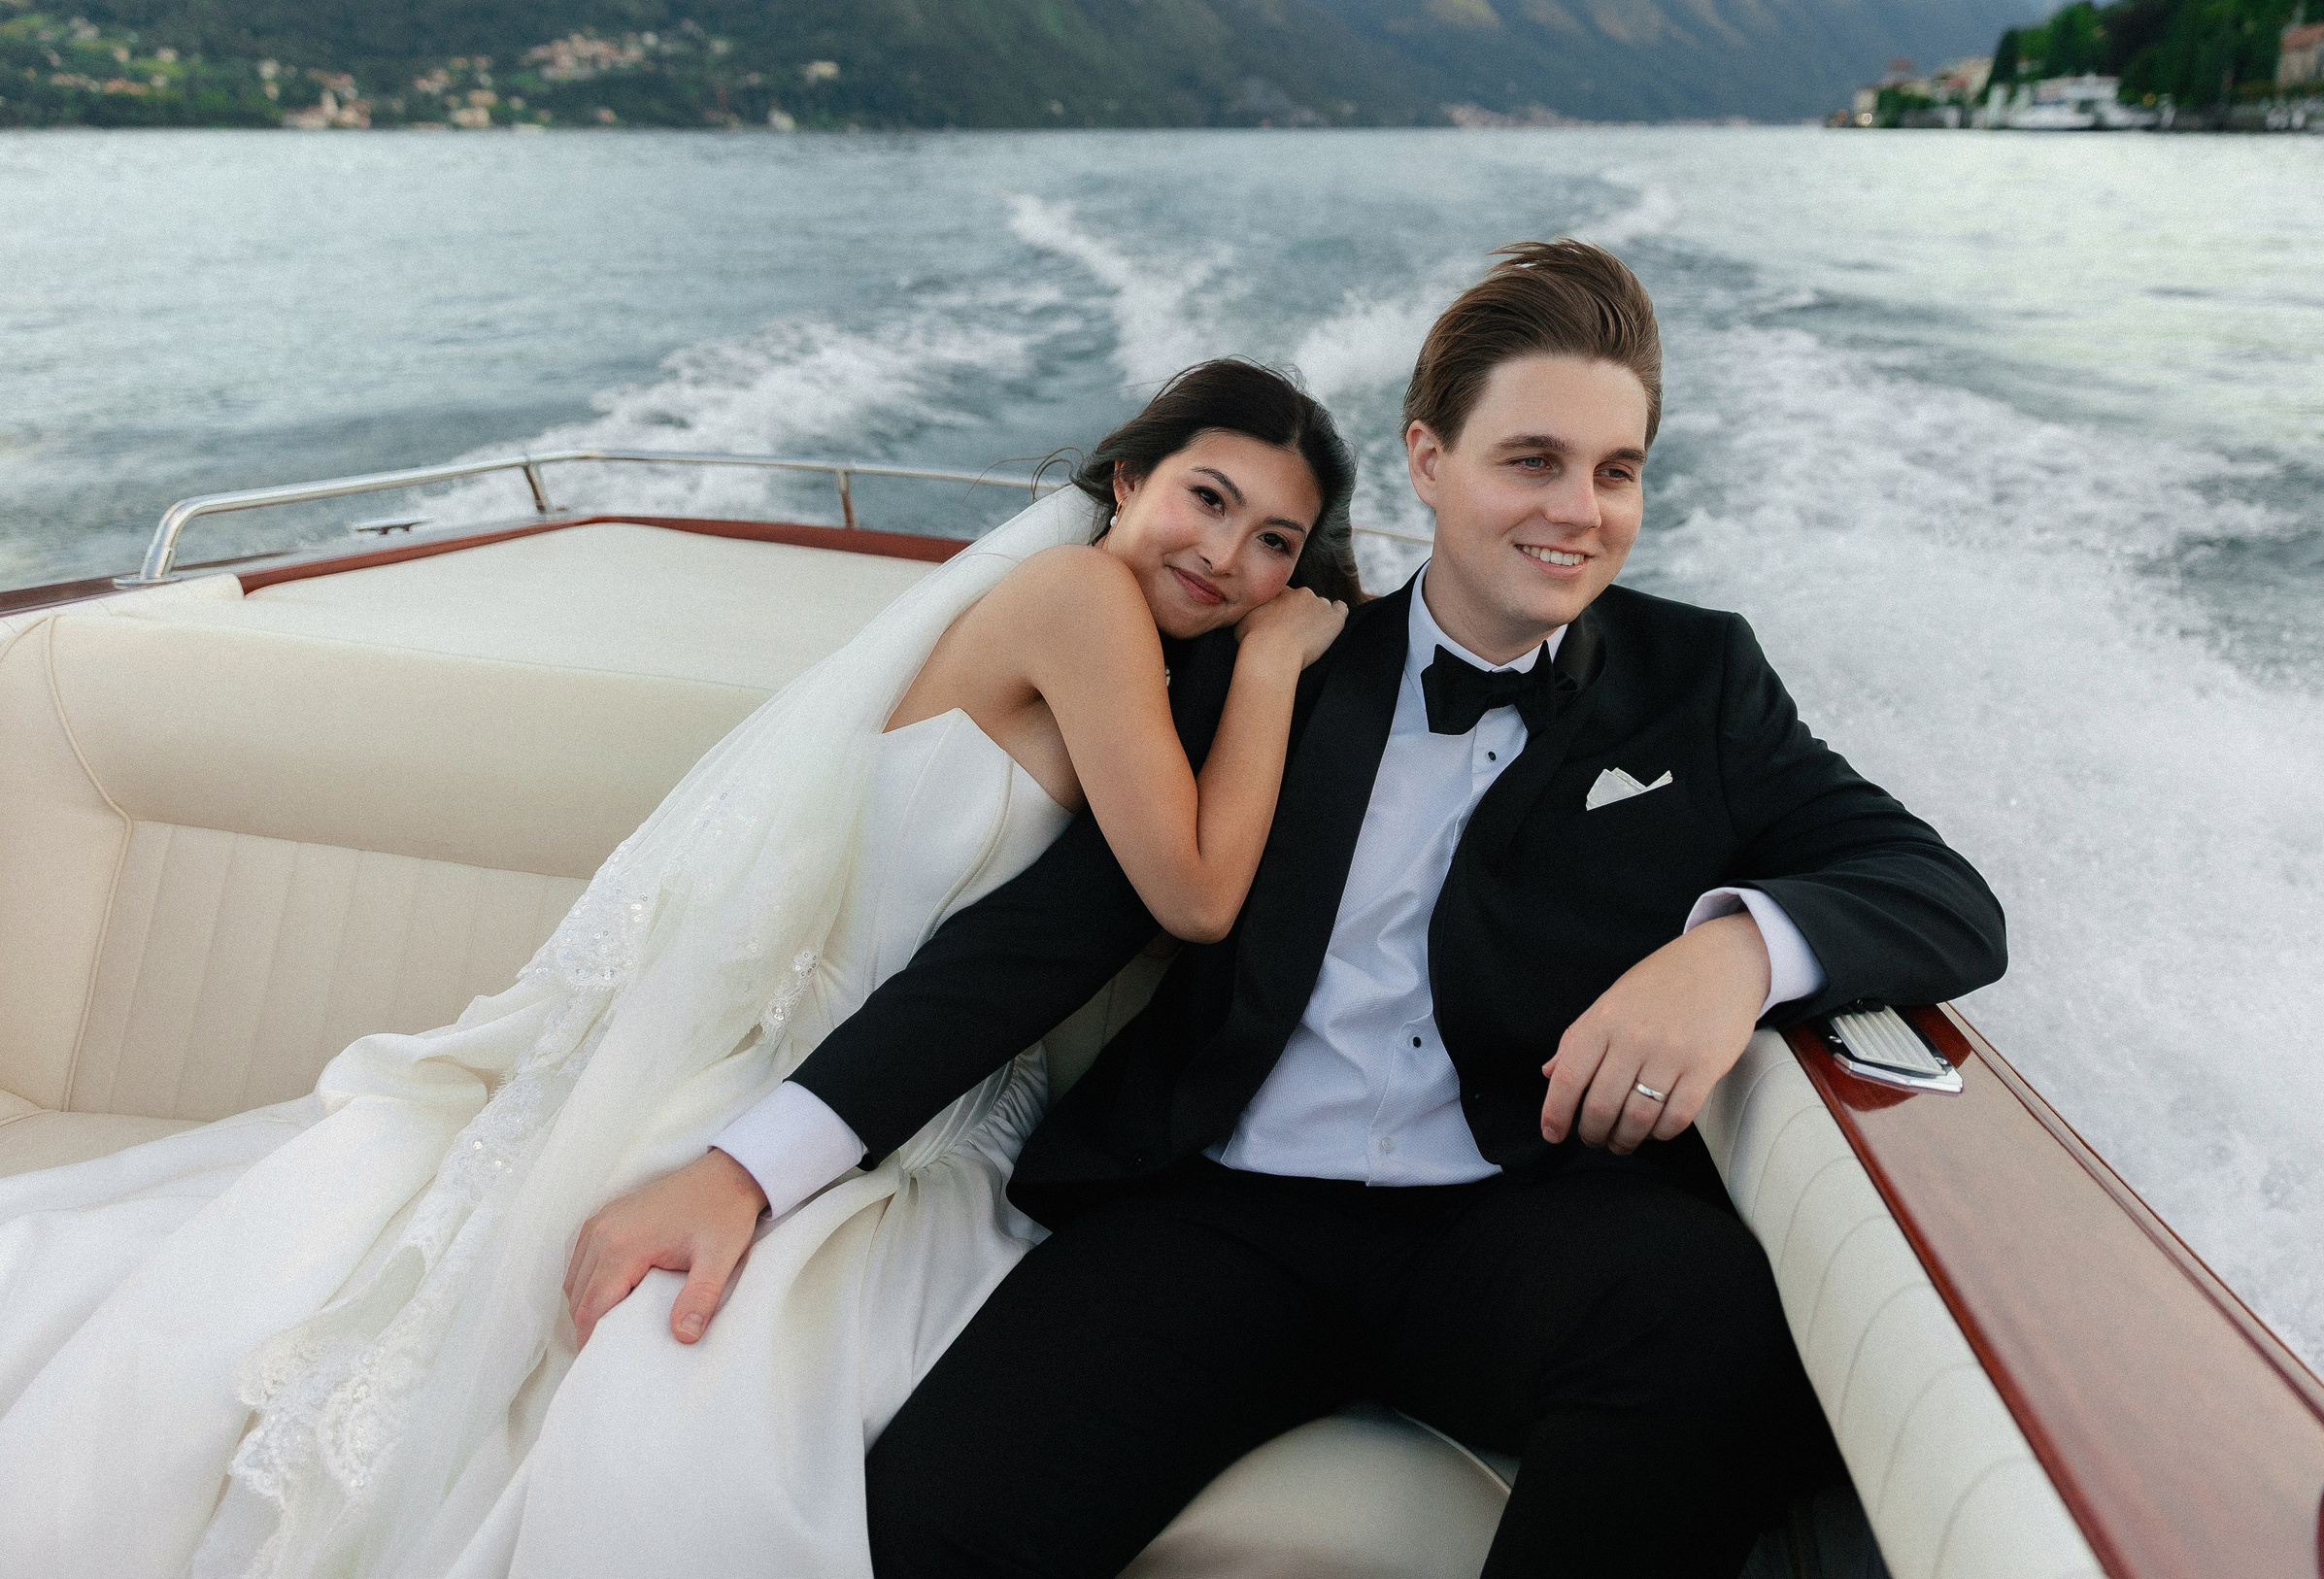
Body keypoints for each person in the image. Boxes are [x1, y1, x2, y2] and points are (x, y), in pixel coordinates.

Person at [576, 239, 2008, 1576]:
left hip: (1517, 1218)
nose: (1580, 512)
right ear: (1429, 463)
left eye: (1617, 470)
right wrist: (750, 1168)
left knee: (1718, 1344)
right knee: (930, 1530)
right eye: (1534, 461)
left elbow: (1939, 895)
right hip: (1217, 1216)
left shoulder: (1701, 683)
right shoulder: (1264, 673)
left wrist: (1736, 953)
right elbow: (1033, 945)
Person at [0, 359, 1355, 1579]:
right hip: (798, 1078)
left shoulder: (1153, 653)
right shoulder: (1078, 600)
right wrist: (1282, 664)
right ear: (1129, 481)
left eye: (1273, 542)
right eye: (1208, 498)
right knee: (662, 1405)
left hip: (928, 1109)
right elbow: (1190, 891)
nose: (1226, 554)